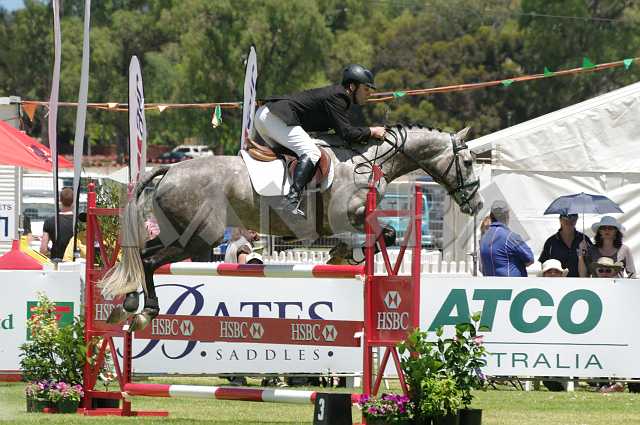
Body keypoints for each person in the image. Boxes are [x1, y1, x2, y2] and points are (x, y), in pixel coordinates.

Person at [254, 64, 386, 216]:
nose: (369, 94)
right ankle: (291, 201)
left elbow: (339, 133)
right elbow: (347, 133)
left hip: (267, 116)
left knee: (291, 158)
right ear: (352, 87)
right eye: (366, 89)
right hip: (275, 117)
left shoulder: (339, 97)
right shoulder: (339, 97)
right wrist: (372, 131)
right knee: (312, 152)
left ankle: (276, 199)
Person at [479, 200, 534, 277]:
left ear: (491, 216)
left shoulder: (483, 238)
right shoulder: (511, 237)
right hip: (512, 283)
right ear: (507, 216)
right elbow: (530, 258)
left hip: (489, 283)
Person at [539, 213, 592, 278]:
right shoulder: (551, 242)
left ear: (576, 220)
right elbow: (544, 264)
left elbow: (592, 263)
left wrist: (586, 253)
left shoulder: (584, 239)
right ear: (560, 220)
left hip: (580, 281)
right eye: (566, 219)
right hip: (557, 281)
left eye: (573, 219)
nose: (569, 222)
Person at [40, 187, 74, 260]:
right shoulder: (79, 222)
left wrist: (49, 252)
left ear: (60, 200)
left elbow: (43, 250)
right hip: (75, 261)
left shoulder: (50, 221)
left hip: (56, 260)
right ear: (74, 201)